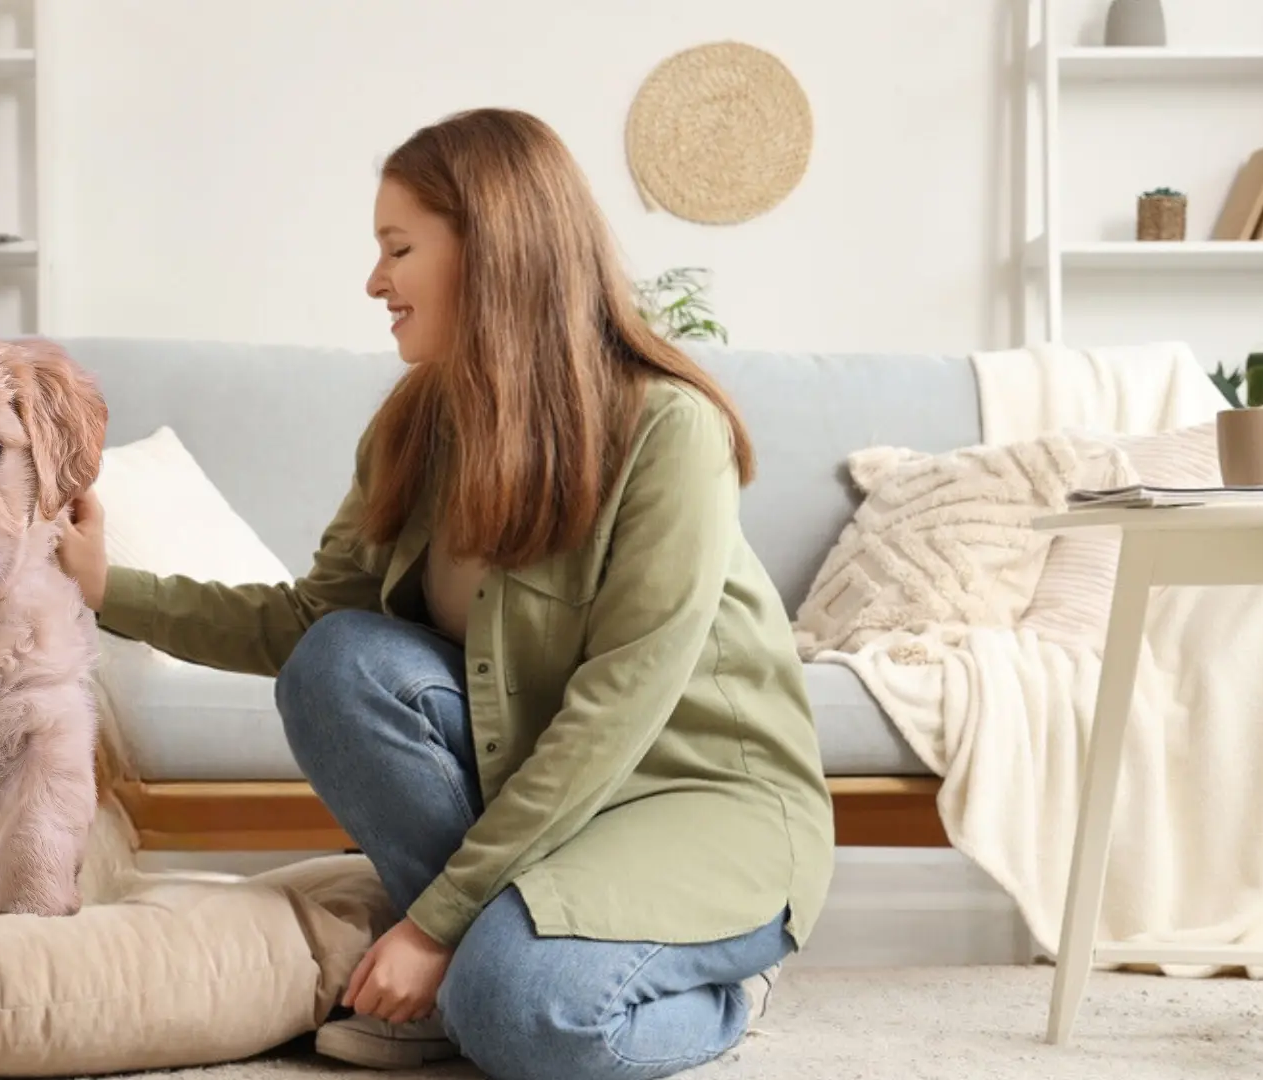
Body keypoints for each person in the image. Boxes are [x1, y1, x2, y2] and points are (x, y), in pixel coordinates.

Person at [55, 107, 834, 1080]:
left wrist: (431, 923)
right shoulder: (415, 427)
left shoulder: (669, 430)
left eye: (398, 248)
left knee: (522, 1013)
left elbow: (613, 712)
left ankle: (715, 995)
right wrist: (102, 586)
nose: (375, 281)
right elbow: (306, 629)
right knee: (337, 661)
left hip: (695, 801)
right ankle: (469, 975)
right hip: (547, 800)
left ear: (492, 248)